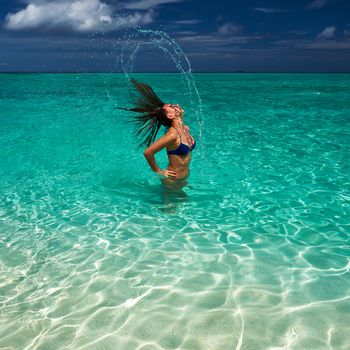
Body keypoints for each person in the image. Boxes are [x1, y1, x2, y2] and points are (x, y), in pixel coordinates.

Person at [119, 78, 196, 181]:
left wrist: (180, 117)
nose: (176, 105)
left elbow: (180, 125)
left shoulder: (183, 128)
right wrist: (158, 171)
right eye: (172, 107)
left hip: (184, 178)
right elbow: (148, 152)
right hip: (172, 181)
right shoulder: (172, 135)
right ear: (170, 115)